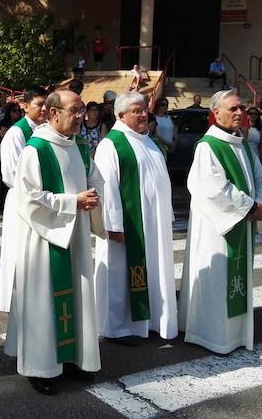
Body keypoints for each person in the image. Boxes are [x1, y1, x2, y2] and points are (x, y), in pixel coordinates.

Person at [4, 89, 106, 395]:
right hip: (43, 238)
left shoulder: (81, 146)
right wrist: (72, 201)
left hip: (74, 235)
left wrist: (94, 198)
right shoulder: (35, 150)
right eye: (73, 111)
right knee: (44, 300)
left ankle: (75, 357)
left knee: (76, 295)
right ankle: (42, 367)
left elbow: (94, 181)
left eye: (81, 111)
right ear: (53, 114)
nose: (79, 116)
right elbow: (28, 198)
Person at [179, 89, 262, 354]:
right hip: (217, 227)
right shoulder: (209, 146)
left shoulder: (242, 144)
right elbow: (212, 188)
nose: (240, 113)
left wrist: (261, 204)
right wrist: (249, 206)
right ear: (215, 113)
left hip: (242, 219)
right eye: (233, 109)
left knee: (234, 276)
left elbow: (260, 179)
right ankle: (211, 333)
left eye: (241, 108)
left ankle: (236, 334)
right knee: (217, 279)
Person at [94, 92, 177, 346]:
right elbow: (106, 186)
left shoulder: (148, 141)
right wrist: (114, 224)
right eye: (136, 111)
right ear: (120, 115)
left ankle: (148, 320)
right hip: (127, 225)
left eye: (144, 110)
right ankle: (117, 327)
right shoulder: (112, 144)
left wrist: (167, 213)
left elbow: (160, 181)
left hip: (152, 223)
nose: (143, 115)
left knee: (152, 269)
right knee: (119, 275)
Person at [0, 87, 48, 313]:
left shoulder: (48, 130)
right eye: (39, 104)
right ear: (25, 106)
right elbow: (10, 173)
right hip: (21, 200)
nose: (44, 109)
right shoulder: (17, 133)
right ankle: (14, 300)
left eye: (47, 104)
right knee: (19, 249)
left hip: (44, 200)